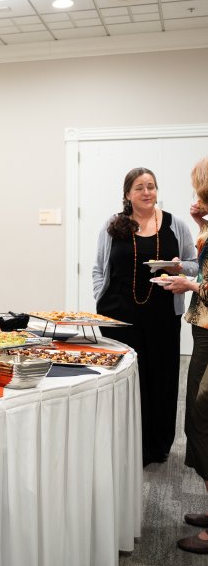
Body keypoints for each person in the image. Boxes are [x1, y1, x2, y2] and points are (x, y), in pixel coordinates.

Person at [92, 167, 198, 466]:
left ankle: (158, 445)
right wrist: (100, 295)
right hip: (120, 314)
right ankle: (127, 444)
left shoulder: (175, 224)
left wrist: (179, 268)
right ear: (128, 194)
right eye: (140, 187)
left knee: (162, 376)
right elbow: (99, 267)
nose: (147, 192)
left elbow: (194, 265)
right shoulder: (114, 225)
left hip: (163, 312)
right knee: (128, 378)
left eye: (151, 186)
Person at [156, 158, 208, 554]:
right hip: (203, 329)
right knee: (197, 417)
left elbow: (203, 278)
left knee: (205, 419)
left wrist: (187, 281)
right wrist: (204, 226)